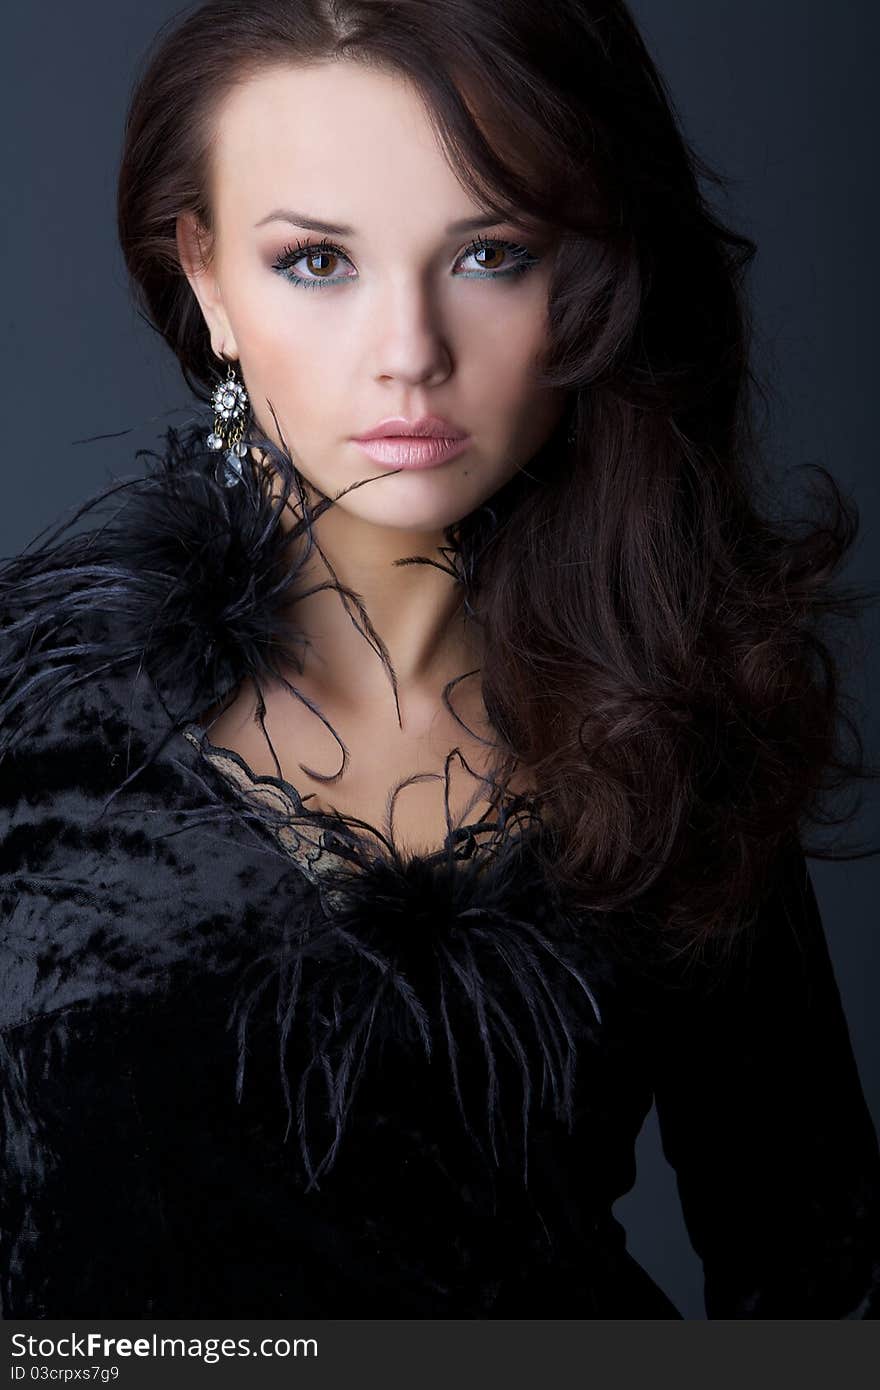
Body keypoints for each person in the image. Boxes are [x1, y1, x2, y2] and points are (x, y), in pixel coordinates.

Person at [1, 0, 878, 1320]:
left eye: (489, 253)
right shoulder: (34, 703)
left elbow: (822, 1276)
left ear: (588, 277)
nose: (409, 354)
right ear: (206, 280)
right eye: (316, 262)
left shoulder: (668, 724)